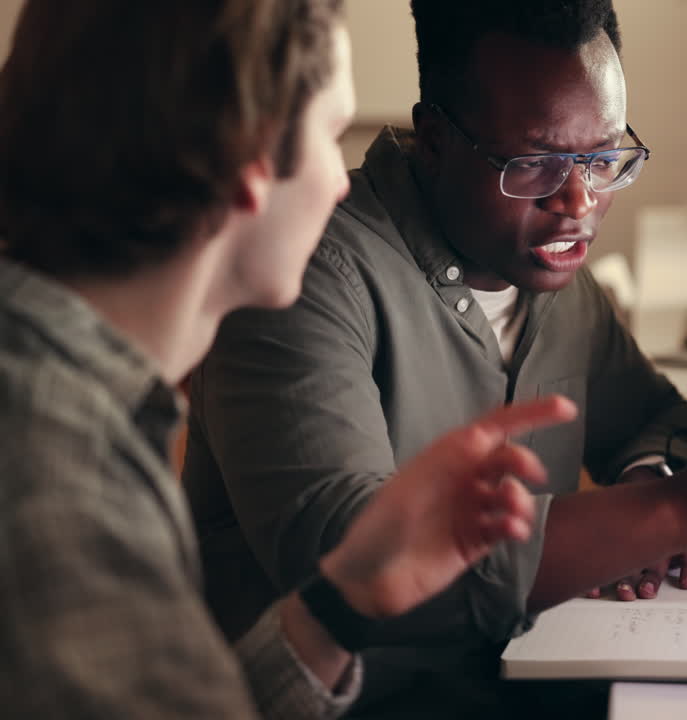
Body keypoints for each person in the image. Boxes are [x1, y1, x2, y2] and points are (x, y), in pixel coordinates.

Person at [183, 0, 687, 712]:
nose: (577, 201)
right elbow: (343, 562)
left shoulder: (553, 276)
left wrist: (645, 481)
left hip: (509, 684)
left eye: (604, 158)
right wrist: (676, 510)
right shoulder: (304, 275)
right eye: (534, 164)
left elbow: (648, 415)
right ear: (433, 138)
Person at [0, 1, 576, 717]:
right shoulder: (60, 478)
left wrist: (341, 605)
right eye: (331, 135)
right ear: (248, 157)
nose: (340, 182)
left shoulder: (67, 391)